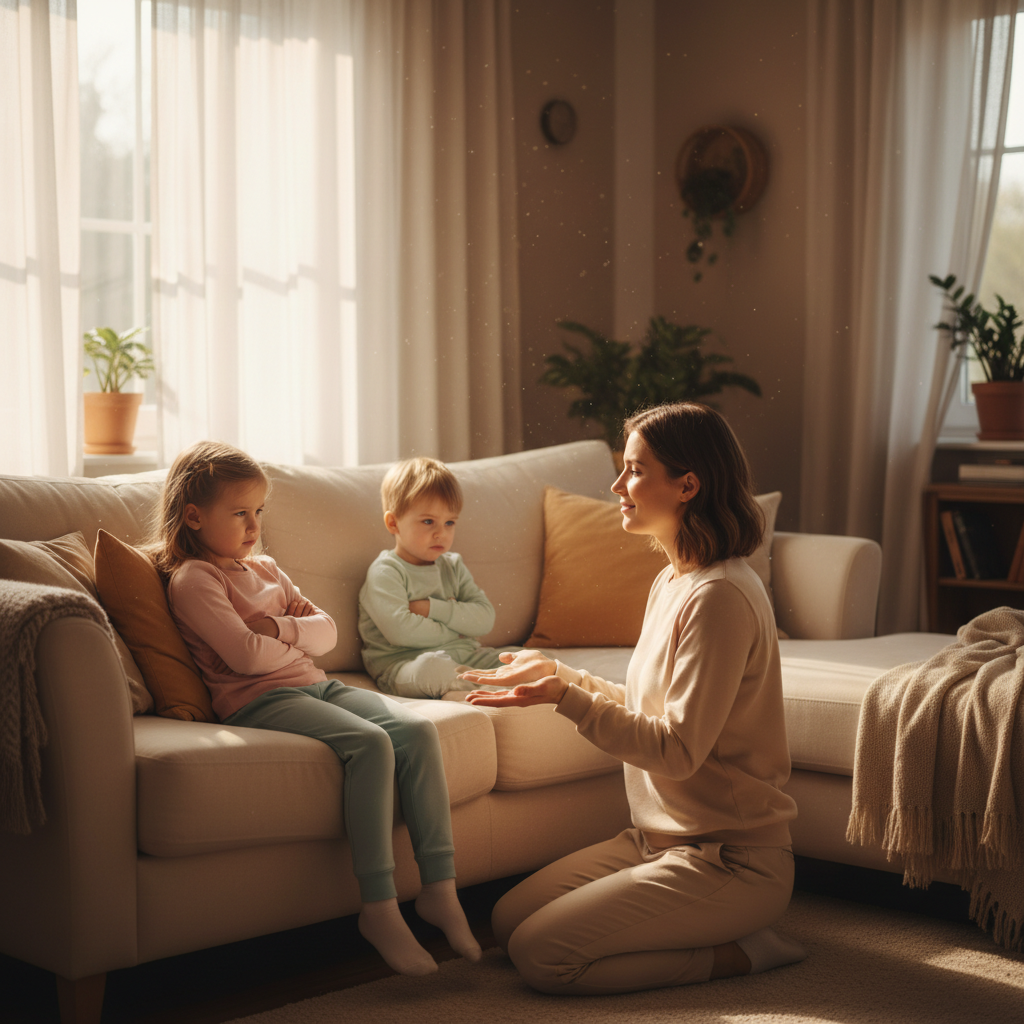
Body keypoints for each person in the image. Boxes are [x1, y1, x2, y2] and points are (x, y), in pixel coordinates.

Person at [460, 402, 806, 995]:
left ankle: (748, 951)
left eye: (635, 470)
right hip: (654, 843)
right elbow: (650, 706)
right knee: (508, 924)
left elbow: (676, 751)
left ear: (687, 485)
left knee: (546, 959)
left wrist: (565, 699)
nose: (617, 486)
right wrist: (560, 675)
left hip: (731, 859)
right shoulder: (673, 580)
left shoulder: (718, 596)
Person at [154, 440, 481, 977]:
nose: (254, 525)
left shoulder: (266, 569)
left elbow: (327, 633)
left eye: (259, 511)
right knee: (372, 745)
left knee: (418, 734)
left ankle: (439, 889)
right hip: (258, 701)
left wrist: (280, 629)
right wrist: (289, 640)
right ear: (193, 516)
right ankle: (378, 906)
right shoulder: (196, 579)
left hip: (317, 684)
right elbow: (243, 656)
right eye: (239, 513)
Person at [358, 456, 522, 698]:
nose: (441, 533)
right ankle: (493, 689)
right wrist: (458, 629)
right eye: (428, 521)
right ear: (393, 523)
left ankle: (495, 684)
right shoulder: (386, 572)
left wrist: (431, 608)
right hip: (404, 666)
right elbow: (402, 633)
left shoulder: (453, 565)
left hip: (465, 656)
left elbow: (485, 619)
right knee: (433, 668)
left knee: (531, 658)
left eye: (449, 522)